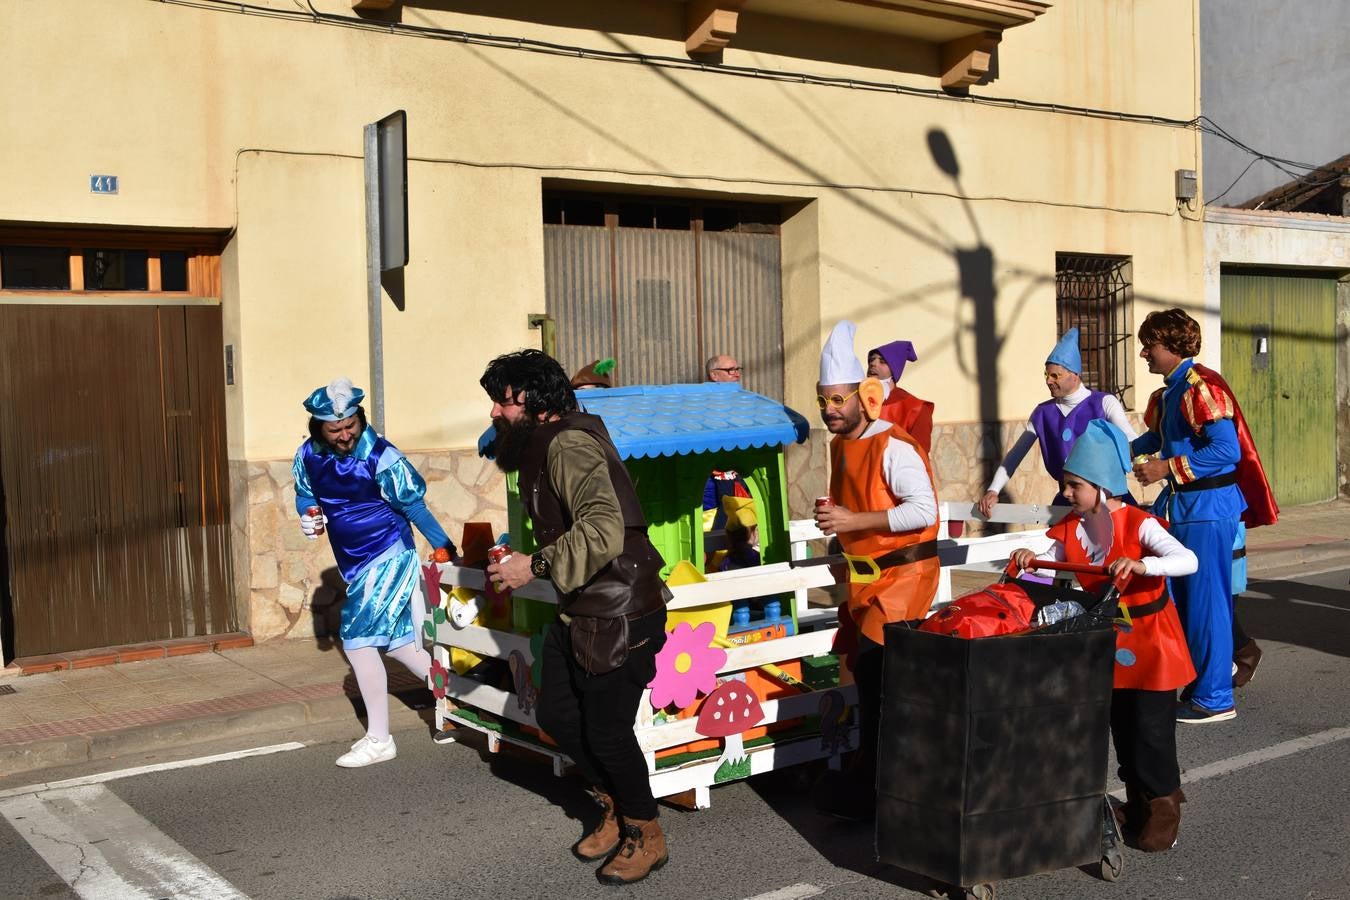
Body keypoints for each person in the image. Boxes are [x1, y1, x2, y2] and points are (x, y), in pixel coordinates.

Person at [482, 349, 671, 885]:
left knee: (608, 732)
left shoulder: (567, 443)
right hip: (582, 610)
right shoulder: (546, 444)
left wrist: (532, 565)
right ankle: (615, 806)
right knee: (558, 717)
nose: (496, 412)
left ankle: (646, 833)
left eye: (504, 400)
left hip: (621, 610)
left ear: (538, 403)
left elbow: (604, 530)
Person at [1012, 420, 1197, 851]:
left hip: (1152, 641)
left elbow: (1186, 560)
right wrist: (1029, 557)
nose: (1067, 494)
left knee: (1151, 729)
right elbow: (1052, 556)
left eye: (1075, 485)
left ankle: (1164, 806)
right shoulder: (1073, 527)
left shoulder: (1140, 523)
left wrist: (1143, 566)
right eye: (1066, 485)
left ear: (1100, 485)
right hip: (1108, 640)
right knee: (1120, 726)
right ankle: (1137, 801)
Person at [293, 378, 457, 767]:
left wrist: (444, 546)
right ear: (319, 429)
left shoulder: (382, 455)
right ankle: (462, 702)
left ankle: (380, 738)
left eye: (351, 424)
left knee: (358, 639)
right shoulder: (308, 455)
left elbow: (414, 506)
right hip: (355, 562)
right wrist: (308, 514)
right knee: (401, 643)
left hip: (388, 553)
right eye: (335, 429)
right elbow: (305, 493)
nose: (346, 434)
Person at [813, 320, 940, 820]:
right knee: (868, 680)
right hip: (865, 581)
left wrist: (853, 520)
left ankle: (895, 792)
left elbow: (925, 511)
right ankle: (874, 787)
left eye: (838, 400)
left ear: (865, 397)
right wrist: (837, 535)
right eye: (823, 400)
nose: (829, 410)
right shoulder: (841, 443)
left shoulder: (895, 445)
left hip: (903, 579)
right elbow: (854, 507)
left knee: (884, 682)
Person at [1129, 308, 1277, 724]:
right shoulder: (1171, 392)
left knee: (1207, 605)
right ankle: (1206, 680)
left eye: (1150, 345)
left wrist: (1165, 468)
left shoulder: (1200, 387)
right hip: (1186, 509)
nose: (1144, 353)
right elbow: (1158, 438)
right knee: (1187, 603)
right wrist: (1111, 449)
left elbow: (1226, 451)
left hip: (1208, 510)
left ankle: (1215, 698)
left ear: (1173, 346)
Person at [978, 327, 1136, 517]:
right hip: (1068, 502)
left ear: (1074, 375)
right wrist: (993, 490)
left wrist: (1145, 459)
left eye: (1055, 375)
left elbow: (1129, 438)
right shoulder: (1042, 413)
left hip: (1106, 500)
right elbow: (1015, 454)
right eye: (1047, 375)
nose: (1049, 381)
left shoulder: (1104, 403)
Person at [867, 340, 935, 453]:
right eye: (871, 360)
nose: (873, 364)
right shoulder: (859, 403)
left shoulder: (917, 409)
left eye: (882, 361)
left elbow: (920, 456)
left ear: (894, 369)